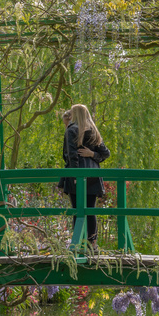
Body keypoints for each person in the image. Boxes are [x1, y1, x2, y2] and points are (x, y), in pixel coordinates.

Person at [58, 104, 109, 247]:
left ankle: (78, 243)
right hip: (93, 175)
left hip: (77, 175)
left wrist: (74, 177)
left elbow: (70, 156)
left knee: (77, 210)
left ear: (75, 114)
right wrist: (93, 154)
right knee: (90, 210)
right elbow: (106, 153)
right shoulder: (93, 131)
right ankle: (92, 243)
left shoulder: (71, 130)